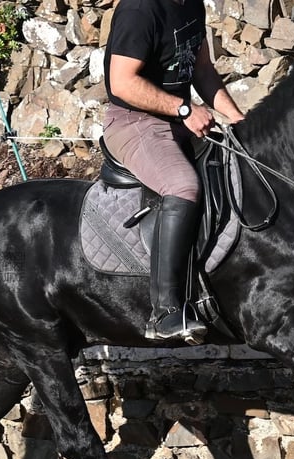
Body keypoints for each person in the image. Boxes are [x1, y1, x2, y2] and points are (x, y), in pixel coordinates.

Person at [102, 0, 245, 344]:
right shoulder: (140, 10)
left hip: (178, 121)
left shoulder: (192, 4)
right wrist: (184, 109)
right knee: (182, 186)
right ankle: (165, 312)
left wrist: (240, 121)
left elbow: (203, 70)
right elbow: (121, 83)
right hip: (134, 122)